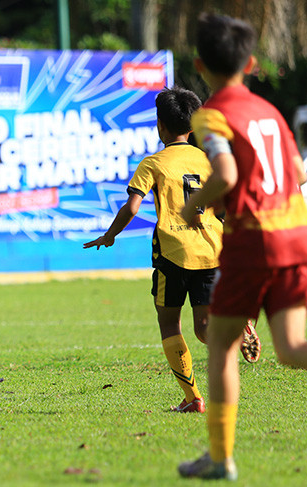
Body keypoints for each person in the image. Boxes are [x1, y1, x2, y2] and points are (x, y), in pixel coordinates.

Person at [177, 12, 307, 480]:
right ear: (250, 64)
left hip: (256, 241)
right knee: (291, 345)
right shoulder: (270, 114)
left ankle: (220, 457)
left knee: (222, 346)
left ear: (200, 64)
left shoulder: (211, 114)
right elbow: (291, 174)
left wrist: (195, 207)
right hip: (298, 240)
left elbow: (225, 174)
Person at [84, 87, 259, 414]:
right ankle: (237, 329)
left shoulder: (153, 162)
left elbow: (132, 207)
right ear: (192, 126)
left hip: (173, 253)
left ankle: (193, 398)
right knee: (205, 328)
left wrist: (109, 235)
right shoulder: (208, 160)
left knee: (170, 325)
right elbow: (225, 202)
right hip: (211, 250)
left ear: (160, 125)